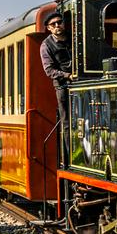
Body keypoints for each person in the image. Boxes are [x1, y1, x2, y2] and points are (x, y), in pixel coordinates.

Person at [39, 11, 72, 155]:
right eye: (54, 24)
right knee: (66, 121)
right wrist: (67, 75)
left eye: (60, 22)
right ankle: (69, 155)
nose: (58, 25)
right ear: (49, 28)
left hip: (80, 81)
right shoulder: (46, 45)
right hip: (63, 86)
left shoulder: (74, 39)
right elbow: (49, 70)